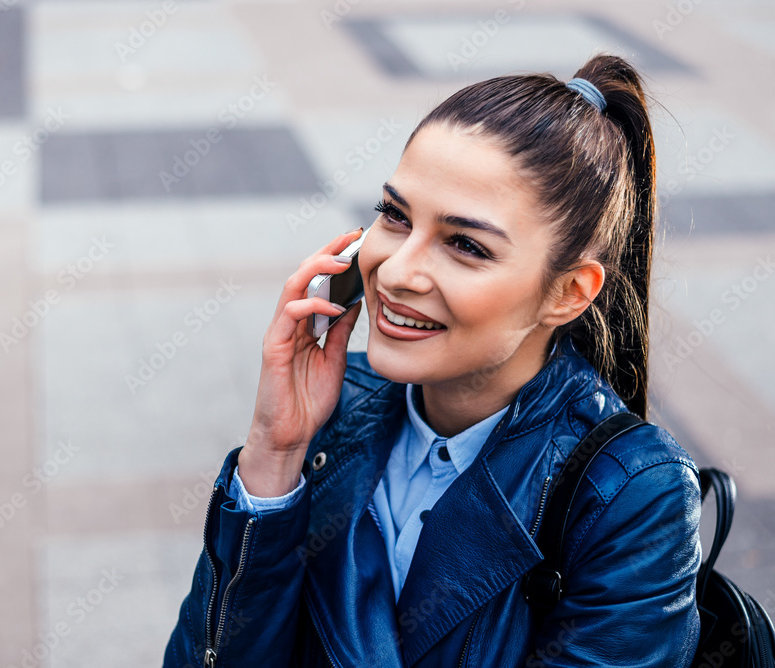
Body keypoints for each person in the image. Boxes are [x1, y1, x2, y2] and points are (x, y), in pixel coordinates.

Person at [165, 53, 702, 667]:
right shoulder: (333, 408)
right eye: (395, 215)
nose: (394, 271)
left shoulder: (633, 496)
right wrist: (274, 455)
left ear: (568, 292)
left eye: (465, 245)